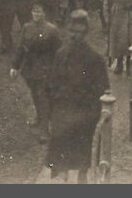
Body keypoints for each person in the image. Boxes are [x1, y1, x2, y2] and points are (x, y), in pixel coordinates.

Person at [45, 10, 110, 184]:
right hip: (63, 111)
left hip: (84, 113)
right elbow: (51, 84)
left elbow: (103, 89)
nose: (75, 36)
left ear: (86, 33)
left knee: (83, 152)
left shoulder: (95, 59)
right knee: (60, 153)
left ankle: (83, 178)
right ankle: (62, 177)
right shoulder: (61, 55)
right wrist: (55, 106)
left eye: (79, 32)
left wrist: (90, 110)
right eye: (72, 32)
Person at [10, 0, 62, 143]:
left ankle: (44, 131)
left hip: (45, 69)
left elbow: (59, 52)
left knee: (43, 98)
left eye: (39, 11)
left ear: (45, 13)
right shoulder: (27, 27)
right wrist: (15, 66)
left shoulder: (52, 30)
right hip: (29, 69)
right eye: (34, 11)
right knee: (35, 95)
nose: (36, 14)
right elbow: (20, 48)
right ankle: (40, 118)